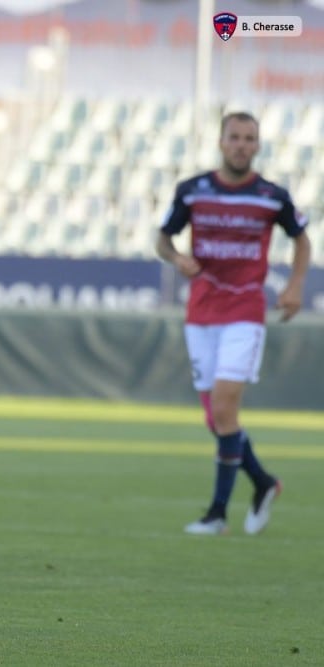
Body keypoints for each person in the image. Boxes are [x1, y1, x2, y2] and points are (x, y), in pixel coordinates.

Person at [156, 111, 311, 536]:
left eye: (249, 138)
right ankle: (262, 483)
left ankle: (217, 514)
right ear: (221, 142)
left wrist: (295, 285)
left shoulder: (270, 196)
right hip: (200, 312)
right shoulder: (192, 191)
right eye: (235, 137)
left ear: (257, 146)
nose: (242, 144)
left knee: (225, 408)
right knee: (217, 421)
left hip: (244, 311)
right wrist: (176, 257)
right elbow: (162, 239)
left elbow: (301, 239)